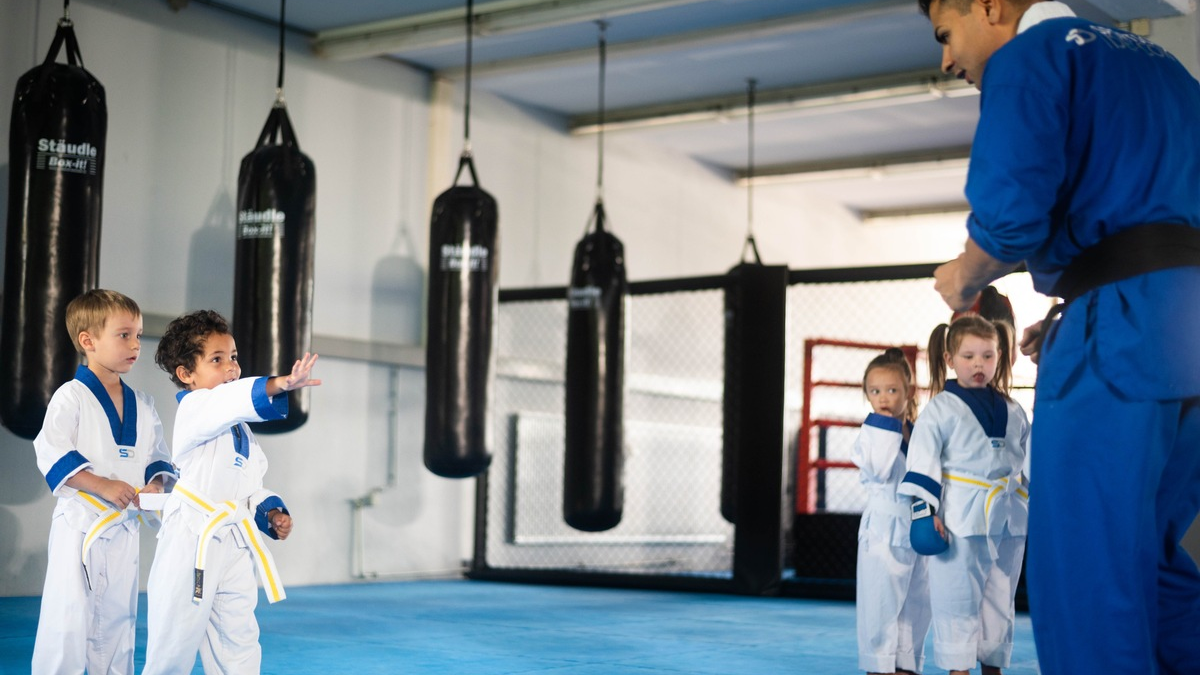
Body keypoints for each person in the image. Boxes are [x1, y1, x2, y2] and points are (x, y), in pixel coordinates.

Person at [918, 0, 1200, 672]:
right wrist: (1082, 297)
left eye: (945, 34)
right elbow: (1151, 222)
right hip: (1182, 322)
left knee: (1086, 563)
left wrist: (962, 278)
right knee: (1151, 559)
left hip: (1120, 336)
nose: (947, 59)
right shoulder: (1171, 70)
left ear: (990, 7)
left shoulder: (1030, 57)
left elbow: (1011, 216)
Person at [142, 309, 321, 674]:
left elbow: (250, 488)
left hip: (234, 542)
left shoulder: (243, 434)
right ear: (186, 374)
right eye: (217, 359)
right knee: (174, 642)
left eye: (234, 358)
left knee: (238, 639)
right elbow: (229, 400)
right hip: (193, 540)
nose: (231, 368)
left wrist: (270, 513)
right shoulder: (195, 409)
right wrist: (279, 383)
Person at [31, 289, 176, 675]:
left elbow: (158, 458)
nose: (135, 345)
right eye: (124, 334)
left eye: (138, 335)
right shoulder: (71, 397)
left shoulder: (143, 403)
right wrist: (100, 484)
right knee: (69, 618)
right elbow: (51, 451)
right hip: (81, 526)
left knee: (118, 618)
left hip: (124, 529)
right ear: (88, 341)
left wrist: (156, 488)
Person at [897, 315, 1028, 675]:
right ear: (950, 359)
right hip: (959, 517)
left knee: (1002, 598)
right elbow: (923, 461)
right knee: (956, 596)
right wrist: (925, 513)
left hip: (1009, 514)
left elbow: (1029, 465)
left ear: (1000, 356)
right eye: (969, 356)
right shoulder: (939, 409)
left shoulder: (1015, 410)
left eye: (987, 356)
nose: (978, 364)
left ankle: (994, 666)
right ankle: (959, 670)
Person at [851, 348, 930, 675]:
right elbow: (881, 470)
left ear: (909, 392)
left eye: (892, 390)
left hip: (916, 530)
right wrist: (886, 425)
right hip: (883, 530)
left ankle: (906, 669)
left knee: (915, 609)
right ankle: (879, 670)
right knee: (881, 610)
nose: (883, 397)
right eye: (875, 391)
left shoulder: (919, 431)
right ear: (866, 394)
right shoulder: (872, 433)